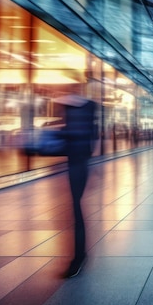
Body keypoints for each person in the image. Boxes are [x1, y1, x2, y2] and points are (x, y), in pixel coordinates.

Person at [54, 94, 96, 278]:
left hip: (78, 163)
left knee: (76, 207)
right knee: (76, 207)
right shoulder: (86, 108)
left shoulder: (80, 108)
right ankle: (80, 256)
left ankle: (79, 257)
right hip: (77, 162)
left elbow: (77, 135)